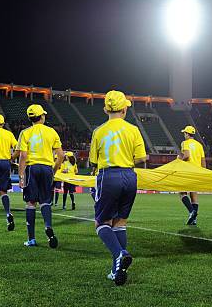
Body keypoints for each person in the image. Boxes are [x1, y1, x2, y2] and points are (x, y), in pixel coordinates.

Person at [89, 90, 147, 286]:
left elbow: (93, 162)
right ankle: (117, 271)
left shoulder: (98, 131)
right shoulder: (133, 130)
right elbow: (140, 158)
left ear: (106, 109)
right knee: (120, 223)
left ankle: (120, 254)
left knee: (101, 223)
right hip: (130, 176)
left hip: (108, 175)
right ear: (124, 109)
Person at [17, 104, 64, 248]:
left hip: (31, 168)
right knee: (45, 201)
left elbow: (23, 156)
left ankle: (31, 239)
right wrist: (53, 170)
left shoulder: (25, 133)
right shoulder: (52, 132)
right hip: (47, 168)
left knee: (31, 203)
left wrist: (21, 176)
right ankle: (48, 226)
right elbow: (61, 155)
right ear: (42, 116)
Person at [177, 125, 205, 225]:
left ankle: (191, 212)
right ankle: (194, 220)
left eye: (184, 133)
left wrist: (178, 158)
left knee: (182, 193)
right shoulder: (199, 145)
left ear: (187, 134)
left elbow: (187, 155)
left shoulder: (185, 143)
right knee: (194, 195)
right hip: (197, 172)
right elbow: (203, 162)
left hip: (187, 171)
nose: (184, 135)